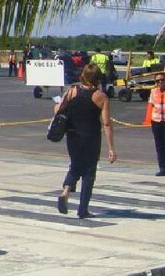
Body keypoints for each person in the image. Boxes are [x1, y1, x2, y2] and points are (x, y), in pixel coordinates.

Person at [55, 64, 116, 219]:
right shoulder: (101, 97)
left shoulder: (72, 91)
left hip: (73, 135)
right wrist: (111, 148)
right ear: (97, 78)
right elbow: (107, 123)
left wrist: (56, 104)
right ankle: (83, 209)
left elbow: (58, 110)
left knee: (75, 164)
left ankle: (66, 189)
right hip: (91, 136)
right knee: (89, 172)